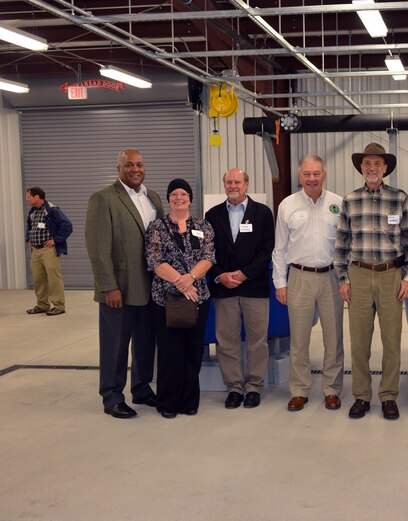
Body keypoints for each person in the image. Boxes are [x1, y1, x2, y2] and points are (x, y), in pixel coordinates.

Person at [334, 143, 408, 420]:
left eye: (377, 164)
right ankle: (361, 395)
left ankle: (389, 395)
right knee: (359, 341)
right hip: (358, 275)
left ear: (385, 168)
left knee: (392, 340)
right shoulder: (350, 200)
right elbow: (341, 244)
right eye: (367, 163)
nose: (372, 168)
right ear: (361, 168)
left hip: (391, 275)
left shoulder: (400, 199)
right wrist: (343, 279)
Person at [85, 148, 163, 419]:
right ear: (119, 168)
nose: (135, 169)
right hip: (119, 287)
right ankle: (112, 396)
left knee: (144, 343)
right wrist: (108, 286)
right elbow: (97, 247)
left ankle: (141, 389)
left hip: (150, 287)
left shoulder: (153, 198)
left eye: (139, 164)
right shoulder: (103, 199)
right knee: (115, 345)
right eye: (129, 165)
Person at [272, 155, 345, 412]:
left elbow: (346, 247)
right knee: (299, 339)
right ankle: (300, 390)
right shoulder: (287, 205)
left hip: (331, 277)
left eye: (316, 173)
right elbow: (279, 247)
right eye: (306, 174)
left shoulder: (338, 203)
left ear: (324, 174)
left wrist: (346, 279)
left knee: (333, 337)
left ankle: (332, 390)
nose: (312, 178)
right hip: (299, 277)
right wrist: (280, 283)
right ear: (299, 176)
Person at [205, 168, 274, 410]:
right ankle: (234, 387)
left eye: (238, 182)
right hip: (224, 288)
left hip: (254, 287)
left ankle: (254, 386)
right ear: (224, 185)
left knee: (257, 340)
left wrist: (245, 274)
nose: (233, 186)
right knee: (227, 341)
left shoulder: (263, 213)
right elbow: (207, 252)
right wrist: (220, 275)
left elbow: (267, 250)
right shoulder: (212, 215)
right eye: (229, 182)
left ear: (246, 185)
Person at [145, 179, 215, 418]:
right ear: (168, 199)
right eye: (174, 194)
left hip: (198, 298)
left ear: (190, 199)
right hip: (166, 299)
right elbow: (154, 261)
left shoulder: (203, 226)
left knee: (193, 350)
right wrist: (181, 281)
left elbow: (208, 257)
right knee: (169, 352)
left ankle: (189, 401)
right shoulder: (157, 227)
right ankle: (167, 402)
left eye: (183, 193)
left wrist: (191, 277)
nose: (179, 197)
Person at [25, 187, 73, 316]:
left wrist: (55, 240)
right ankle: (42, 305)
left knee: (53, 278)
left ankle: (58, 305)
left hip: (49, 250)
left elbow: (67, 226)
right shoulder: (32, 211)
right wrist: (28, 238)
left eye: (28, 196)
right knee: (38, 278)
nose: (27, 199)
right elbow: (30, 226)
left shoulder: (51, 210)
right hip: (35, 250)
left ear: (37, 197)